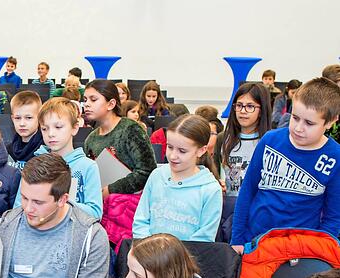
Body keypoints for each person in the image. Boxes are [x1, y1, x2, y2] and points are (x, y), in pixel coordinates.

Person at [230, 77, 340, 253]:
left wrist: (318, 253)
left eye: (309, 123)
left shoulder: (335, 156)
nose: (298, 128)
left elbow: (333, 217)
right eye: (295, 118)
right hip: (255, 241)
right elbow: (247, 191)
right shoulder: (270, 140)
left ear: (330, 122)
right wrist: (237, 239)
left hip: (300, 251)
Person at [133, 114, 222, 242]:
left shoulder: (210, 189)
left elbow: (204, 238)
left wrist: (173, 258)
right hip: (148, 256)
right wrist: (148, 251)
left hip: (186, 259)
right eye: (170, 147)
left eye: (182, 151)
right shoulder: (157, 175)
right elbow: (141, 220)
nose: (173, 156)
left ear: (201, 150)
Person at [14, 98, 102, 219]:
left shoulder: (88, 167)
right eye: (45, 129)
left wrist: (57, 203)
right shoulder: (33, 164)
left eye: (58, 127)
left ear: (75, 128)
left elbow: (95, 213)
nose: (51, 134)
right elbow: (18, 208)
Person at [212, 82, 272, 243]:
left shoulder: (269, 141)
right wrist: (217, 182)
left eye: (250, 106)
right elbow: (216, 170)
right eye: (239, 105)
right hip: (227, 208)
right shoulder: (223, 139)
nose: (243, 111)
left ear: (261, 110)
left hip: (255, 209)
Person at [83, 79, 157, 197]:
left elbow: (147, 171)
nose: (86, 104)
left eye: (93, 99)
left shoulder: (131, 129)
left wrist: (112, 189)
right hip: (102, 205)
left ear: (111, 104)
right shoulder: (90, 139)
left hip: (131, 205)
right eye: (85, 100)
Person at [7, 90, 46, 169]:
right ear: (12, 119)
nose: (22, 123)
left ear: (39, 118)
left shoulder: (46, 149)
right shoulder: (8, 150)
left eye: (28, 118)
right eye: (17, 118)